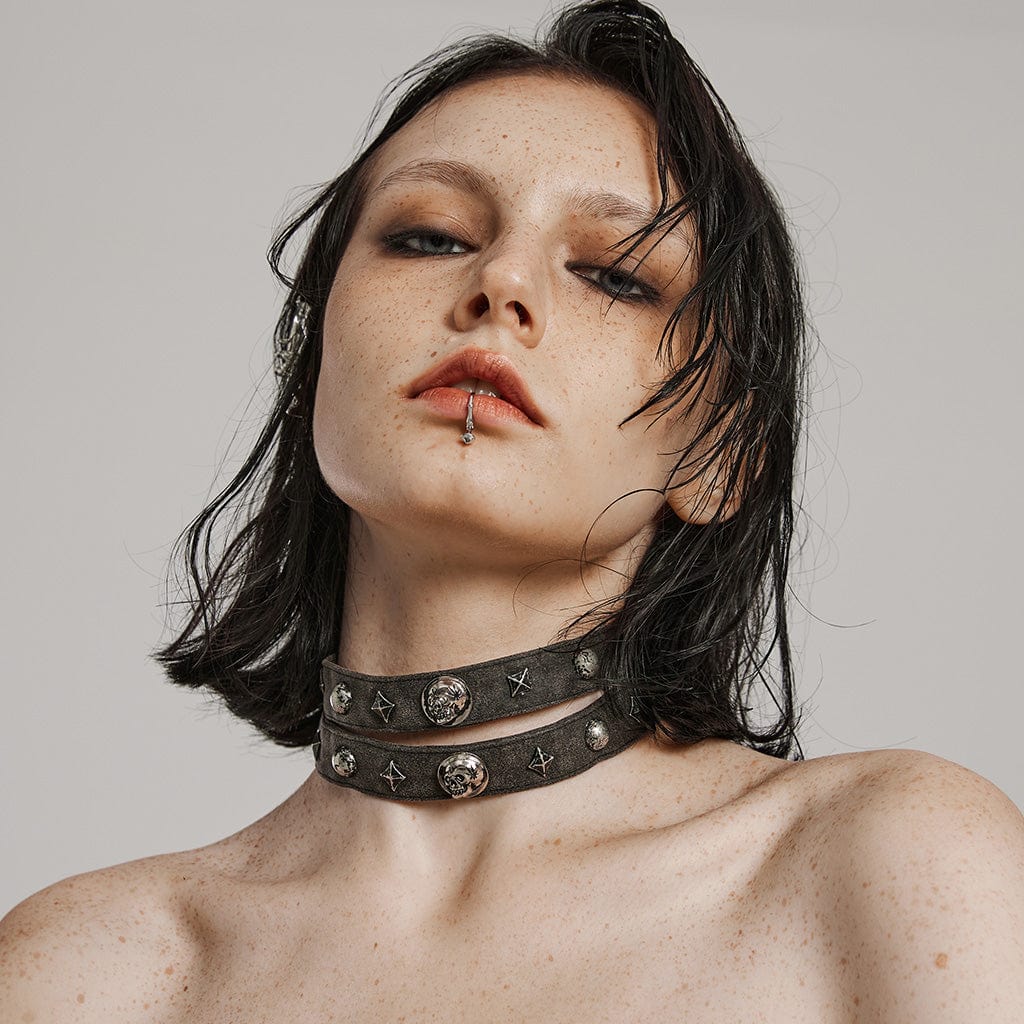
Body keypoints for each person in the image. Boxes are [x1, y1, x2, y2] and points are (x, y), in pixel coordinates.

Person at [2, 0, 1021, 1018]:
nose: (501, 282)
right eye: (429, 236)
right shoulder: (91, 976)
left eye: (616, 275)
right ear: (315, 357)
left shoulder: (894, 871)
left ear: (721, 451)